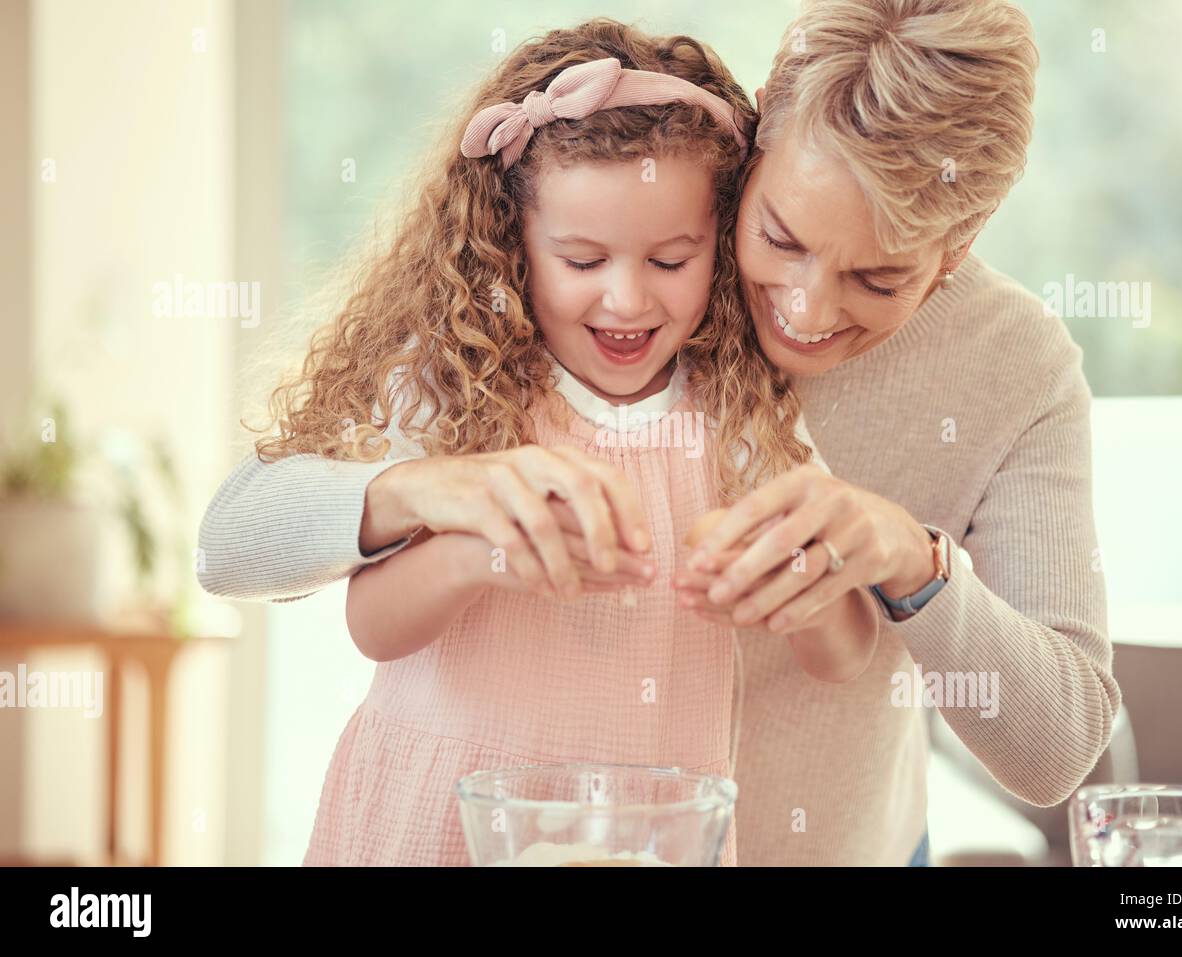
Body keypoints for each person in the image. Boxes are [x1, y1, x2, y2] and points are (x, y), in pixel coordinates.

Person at [200, 0, 1120, 867]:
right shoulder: (565, 297)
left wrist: (904, 562)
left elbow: (1058, 746)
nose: (802, 311)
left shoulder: (1011, 367)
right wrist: (431, 500)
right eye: (779, 235)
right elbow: (236, 542)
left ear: (958, 245)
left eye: (877, 280)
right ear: (757, 140)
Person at [241, 19, 875, 866]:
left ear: (719, 248)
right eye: (582, 259)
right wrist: (481, 551)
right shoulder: (457, 387)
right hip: (440, 826)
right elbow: (371, 623)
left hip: (653, 841)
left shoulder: (742, 408)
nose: (626, 299)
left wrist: (799, 584)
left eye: (671, 258)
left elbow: (846, 652)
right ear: (515, 248)